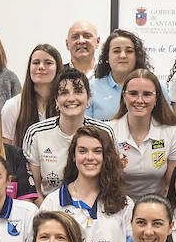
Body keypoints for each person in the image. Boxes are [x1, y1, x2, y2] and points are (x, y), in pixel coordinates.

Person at [39, 125, 132, 242]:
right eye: (82, 151)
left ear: (106, 156)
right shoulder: (53, 203)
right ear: (74, 156)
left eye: (97, 151)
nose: (90, 157)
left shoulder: (123, 203)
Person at [23, 69, 115, 201]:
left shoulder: (104, 132)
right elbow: (34, 190)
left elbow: (111, 181)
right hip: (49, 213)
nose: (71, 98)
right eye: (64, 93)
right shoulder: (36, 134)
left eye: (78, 92)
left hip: (95, 211)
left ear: (88, 98)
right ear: (56, 100)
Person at [108, 70, 176, 199]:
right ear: (124, 96)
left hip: (159, 208)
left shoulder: (174, 133)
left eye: (147, 94)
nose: (140, 100)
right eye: (133, 94)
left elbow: (174, 186)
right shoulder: (108, 132)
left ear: (156, 98)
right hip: (117, 207)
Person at [1, 44, 62, 145]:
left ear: (58, 68)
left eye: (48, 63)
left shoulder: (65, 105)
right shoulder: (12, 106)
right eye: (36, 63)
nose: (41, 67)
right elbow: (6, 151)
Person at [89, 29, 151, 122]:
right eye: (116, 51)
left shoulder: (154, 87)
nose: (122, 55)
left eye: (129, 51)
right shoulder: (91, 88)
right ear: (107, 56)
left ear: (137, 56)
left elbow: (165, 126)